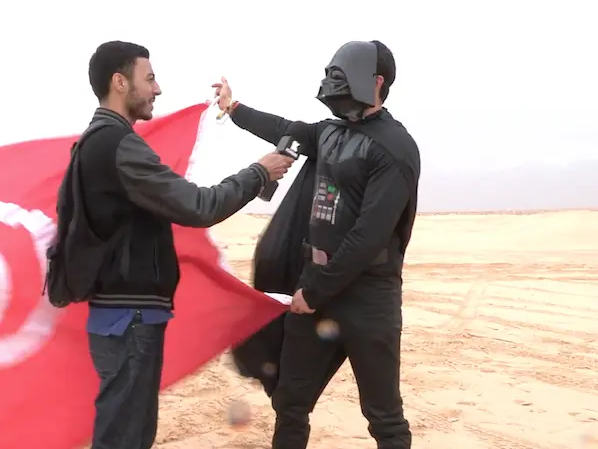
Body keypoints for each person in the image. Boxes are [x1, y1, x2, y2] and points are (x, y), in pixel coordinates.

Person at [60, 40, 295, 449]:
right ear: (120, 82)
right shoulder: (116, 144)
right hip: (128, 317)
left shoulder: (96, 142)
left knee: (126, 429)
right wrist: (259, 171)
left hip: (121, 314)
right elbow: (199, 206)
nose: (158, 89)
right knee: (125, 436)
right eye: (149, 78)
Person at [213, 40, 420, 449]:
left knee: (383, 416)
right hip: (315, 289)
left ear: (376, 81)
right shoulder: (330, 133)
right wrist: (233, 109)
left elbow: (369, 236)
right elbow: (282, 129)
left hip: (367, 296)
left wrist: (314, 291)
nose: (331, 82)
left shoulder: (395, 149)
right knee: (290, 401)